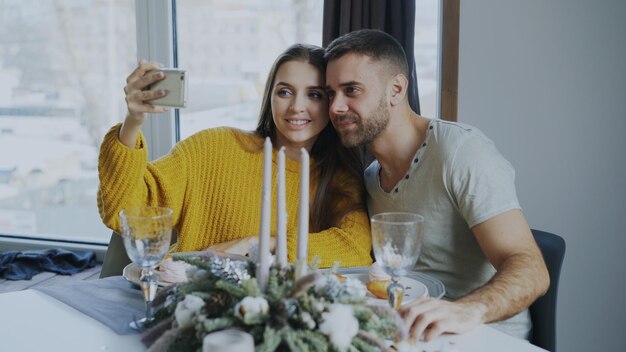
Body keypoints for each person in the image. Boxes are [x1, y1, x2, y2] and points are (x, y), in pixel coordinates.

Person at [324, 29, 549, 342]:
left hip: (484, 336)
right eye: (330, 93)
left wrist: (467, 310)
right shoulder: (371, 178)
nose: (335, 106)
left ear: (397, 89)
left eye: (351, 90)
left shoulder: (461, 152)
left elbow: (532, 269)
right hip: (412, 333)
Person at [97, 44, 372, 269]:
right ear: (270, 97)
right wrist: (132, 122)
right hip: (180, 307)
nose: (297, 107)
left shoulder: (339, 179)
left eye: (314, 95)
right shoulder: (214, 148)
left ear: (332, 103)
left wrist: (263, 244)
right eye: (285, 92)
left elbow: (356, 248)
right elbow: (125, 210)